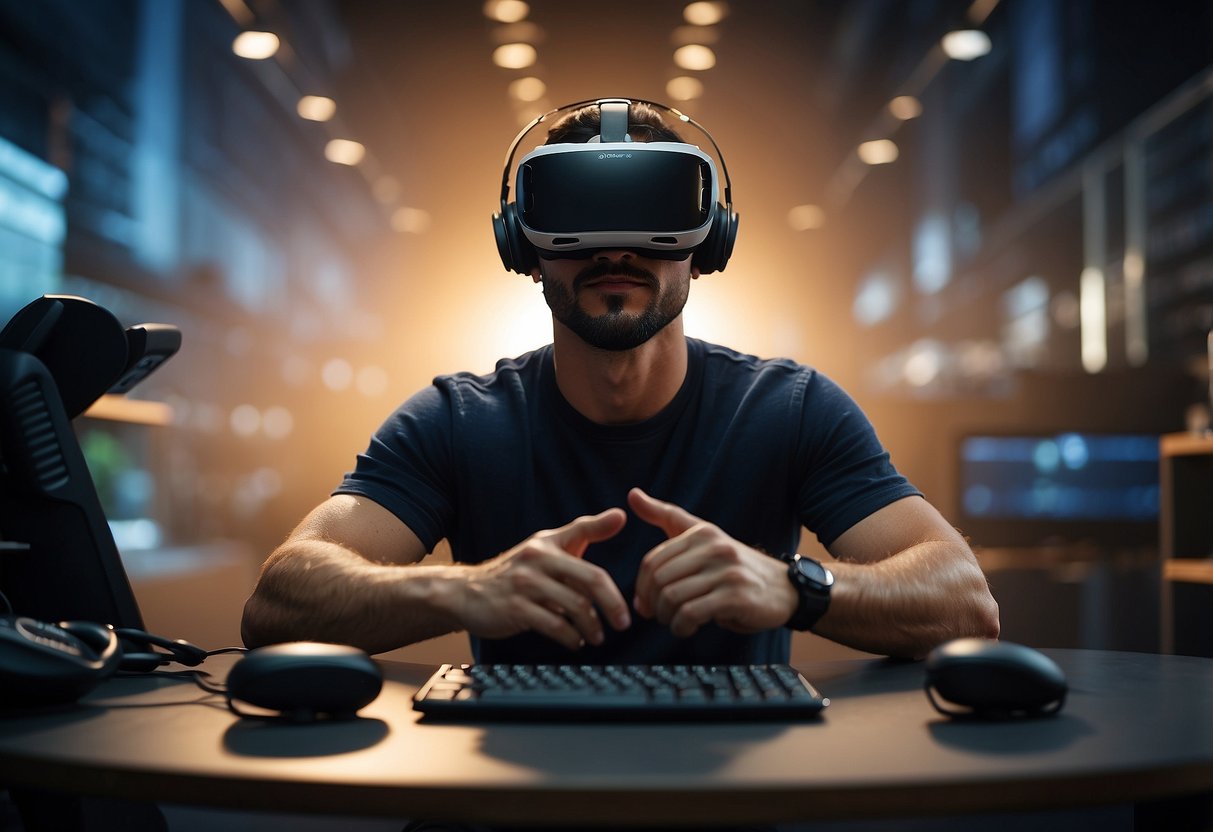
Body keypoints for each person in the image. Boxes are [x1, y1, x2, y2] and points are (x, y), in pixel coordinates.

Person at [240, 99, 999, 667]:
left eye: (649, 215)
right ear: (522, 247)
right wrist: (460, 592)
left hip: (730, 805)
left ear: (708, 243)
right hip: (513, 804)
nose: (614, 249)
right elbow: (281, 600)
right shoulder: (458, 420)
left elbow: (963, 600)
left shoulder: (789, 410)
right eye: (579, 216)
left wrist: (796, 589)